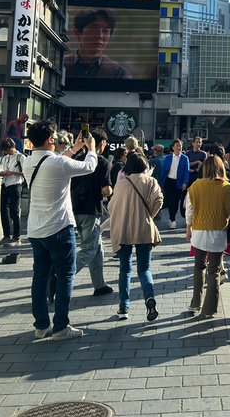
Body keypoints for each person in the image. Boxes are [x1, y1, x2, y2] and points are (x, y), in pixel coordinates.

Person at [23, 121, 98, 341]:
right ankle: (61, 327)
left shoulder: (28, 162)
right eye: (55, 135)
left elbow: (58, 160)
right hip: (59, 228)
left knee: (40, 277)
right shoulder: (58, 163)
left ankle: (41, 325)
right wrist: (90, 149)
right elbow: (89, 167)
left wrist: (74, 150)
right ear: (50, 139)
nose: (56, 137)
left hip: (36, 229)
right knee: (65, 275)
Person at [109, 150, 163, 321]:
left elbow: (111, 206)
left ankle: (123, 307)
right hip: (144, 229)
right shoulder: (151, 181)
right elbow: (159, 200)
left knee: (124, 269)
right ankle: (149, 297)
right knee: (144, 268)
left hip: (124, 230)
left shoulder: (121, 184)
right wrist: (150, 216)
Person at [185, 154, 230, 319]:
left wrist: (188, 228)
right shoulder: (227, 187)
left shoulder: (196, 186)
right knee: (214, 270)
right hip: (219, 232)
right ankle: (209, 309)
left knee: (199, 267)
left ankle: (195, 303)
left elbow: (189, 210)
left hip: (199, 232)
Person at [70, 127, 113, 298]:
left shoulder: (76, 159)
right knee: (88, 249)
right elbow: (107, 190)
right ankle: (61, 276)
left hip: (74, 209)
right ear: (100, 144)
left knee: (97, 248)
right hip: (90, 210)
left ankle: (99, 285)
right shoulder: (102, 162)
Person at [64, 8, 132, 81]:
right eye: (93, 29)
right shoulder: (59, 65)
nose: (100, 36)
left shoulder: (119, 74)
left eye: (105, 31)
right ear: (77, 32)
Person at [0, 138, 25, 245]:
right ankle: (6, 235)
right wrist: (3, 173)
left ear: (13, 147)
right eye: (5, 150)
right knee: (3, 211)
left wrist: (12, 173)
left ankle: (16, 237)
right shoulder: (5, 159)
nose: (6, 152)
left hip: (15, 185)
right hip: (5, 185)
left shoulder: (21, 157)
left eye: (8, 150)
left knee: (14, 211)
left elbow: (25, 172)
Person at [160, 139, 190, 228]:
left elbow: (186, 172)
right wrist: (162, 184)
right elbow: (163, 171)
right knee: (170, 200)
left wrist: (185, 182)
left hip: (179, 182)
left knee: (176, 201)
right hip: (169, 181)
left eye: (180, 146)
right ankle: (172, 220)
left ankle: (172, 218)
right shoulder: (168, 158)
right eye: (177, 146)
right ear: (173, 147)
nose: (179, 148)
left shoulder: (185, 158)